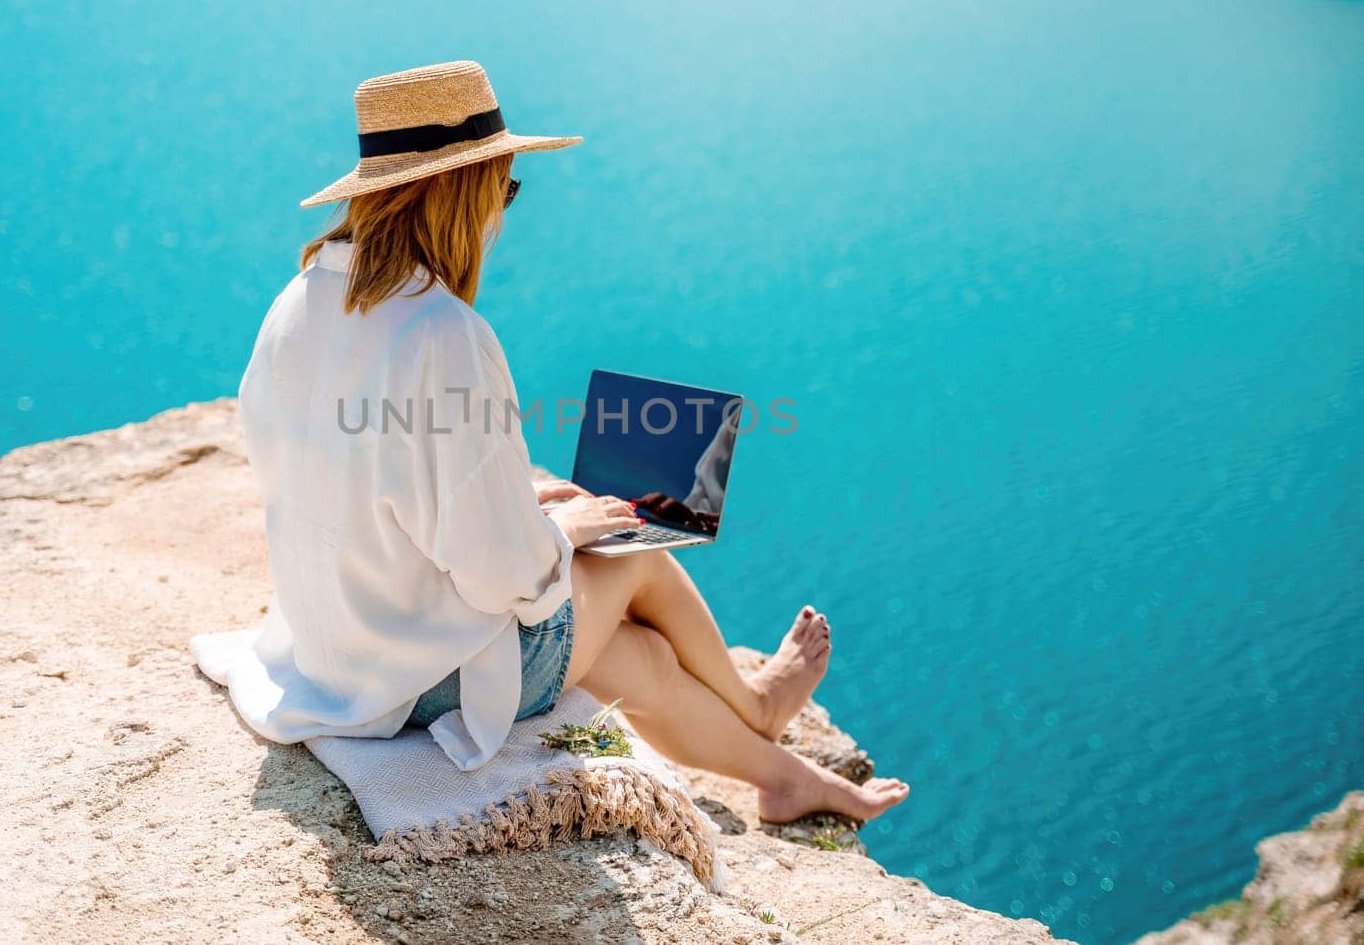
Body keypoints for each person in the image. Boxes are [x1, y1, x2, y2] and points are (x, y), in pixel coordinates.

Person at [189, 60, 909, 824]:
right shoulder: (444, 334)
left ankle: (783, 774)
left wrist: (523, 504)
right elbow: (507, 576)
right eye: (505, 186)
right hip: (417, 679)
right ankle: (756, 704)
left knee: (641, 658)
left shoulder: (297, 304)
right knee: (634, 547)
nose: (504, 209)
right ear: (463, 192)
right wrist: (559, 531)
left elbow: (357, 483)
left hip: (336, 645)